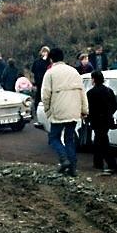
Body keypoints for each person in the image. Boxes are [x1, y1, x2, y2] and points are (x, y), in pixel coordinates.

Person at [42, 48, 89, 177]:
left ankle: (64, 159)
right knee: (70, 139)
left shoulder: (50, 73)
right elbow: (82, 92)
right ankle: (72, 168)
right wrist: (84, 110)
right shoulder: (74, 71)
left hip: (59, 110)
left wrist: (47, 110)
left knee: (54, 138)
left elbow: (45, 95)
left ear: (51, 59)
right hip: (74, 111)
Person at [87, 71, 117, 174]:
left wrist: (88, 119)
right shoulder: (109, 91)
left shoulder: (90, 93)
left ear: (93, 79)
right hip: (107, 120)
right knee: (99, 140)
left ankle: (112, 165)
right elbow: (114, 105)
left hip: (96, 121)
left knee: (103, 142)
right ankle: (97, 162)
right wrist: (109, 114)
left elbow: (90, 109)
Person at [31, 46, 51, 125]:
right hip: (39, 81)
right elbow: (33, 70)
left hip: (46, 81)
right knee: (38, 96)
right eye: (43, 52)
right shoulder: (37, 61)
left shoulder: (49, 62)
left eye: (46, 52)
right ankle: (36, 110)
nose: (44, 53)